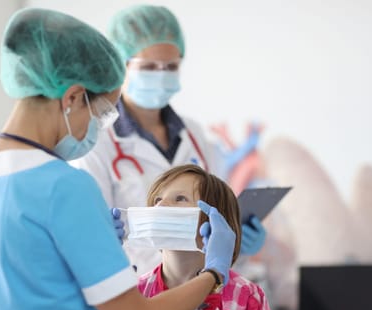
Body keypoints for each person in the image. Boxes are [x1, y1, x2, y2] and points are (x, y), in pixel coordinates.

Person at [0, 8, 238, 310]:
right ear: (71, 98)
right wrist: (214, 273)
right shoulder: (63, 187)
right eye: (100, 114)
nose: (97, 129)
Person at [74, 4, 266, 276]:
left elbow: (214, 222)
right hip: (135, 292)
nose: (162, 74)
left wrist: (236, 241)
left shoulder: (194, 135)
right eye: (150, 66)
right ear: (121, 65)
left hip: (200, 291)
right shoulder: (96, 141)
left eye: (171, 66)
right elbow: (90, 239)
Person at [127, 164, 283, 310]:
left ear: (214, 223)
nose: (160, 205)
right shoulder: (136, 293)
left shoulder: (247, 297)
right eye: (157, 199)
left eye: (180, 198)